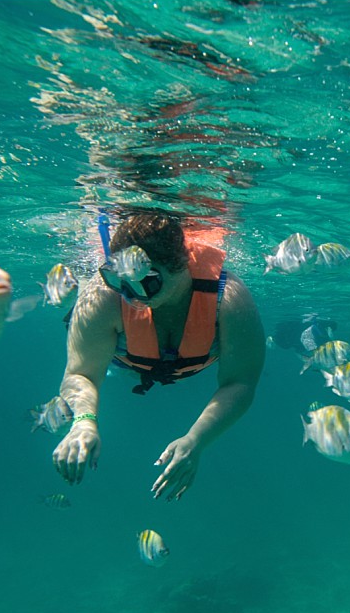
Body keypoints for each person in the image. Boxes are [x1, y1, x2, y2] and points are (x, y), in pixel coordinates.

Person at [53, 210, 265, 501]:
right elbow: (80, 373)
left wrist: (196, 441)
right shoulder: (104, 296)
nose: (130, 295)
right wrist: (84, 421)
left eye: (147, 281)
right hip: (123, 361)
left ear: (181, 266)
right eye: (119, 281)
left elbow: (241, 381)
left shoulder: (228, 299)